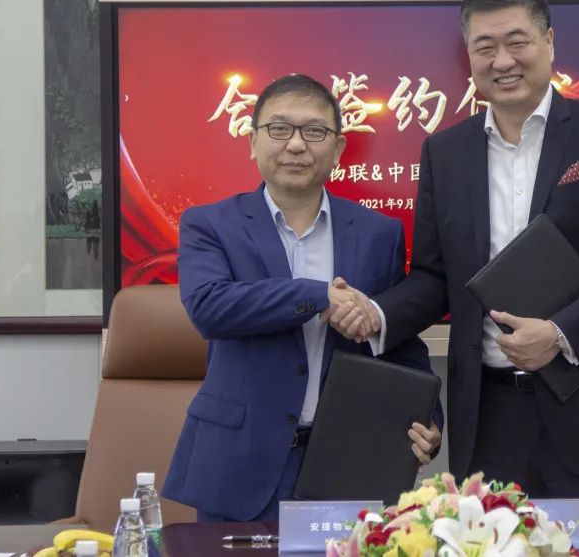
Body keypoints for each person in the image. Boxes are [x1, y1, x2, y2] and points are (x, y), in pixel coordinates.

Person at [329, 0, 579, 517]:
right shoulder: (446, 152)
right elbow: (435, 277)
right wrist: (375, 313)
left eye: (518, 41)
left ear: (549, 42)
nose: (503, 61)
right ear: (468, 56)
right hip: (489, 418)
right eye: (485, 47)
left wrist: (559, 334)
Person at [163, 74, 443, 522]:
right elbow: (210, 308)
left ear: (338, 148)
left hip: (346, 460)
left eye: (314, 131)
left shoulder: (379, 233)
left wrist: (428, 418)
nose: (296, 145)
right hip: (239, 463)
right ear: (252, 142)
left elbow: (397, 337)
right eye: (279, 129)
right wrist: (318, 295)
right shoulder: (210, 224)